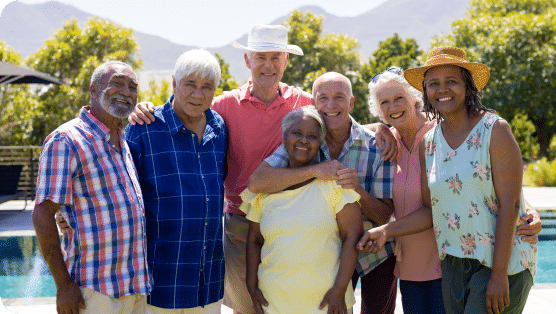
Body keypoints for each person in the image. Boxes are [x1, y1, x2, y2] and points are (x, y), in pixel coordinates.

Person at [128, 25, 397, 314]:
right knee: (250, 308)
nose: (268, 65)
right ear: (247, 60)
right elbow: (187, 106)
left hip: (302, 222)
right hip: (242, 226)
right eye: (260, 57)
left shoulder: (304, 102)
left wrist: (381, 127)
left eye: (275, 57)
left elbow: (336, 119)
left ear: (286, 61)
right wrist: (145, 110)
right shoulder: (223, 107)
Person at [357, 47, 538, 314]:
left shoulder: (494, 129)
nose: (442, 89)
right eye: (433, 84)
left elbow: (510, 201)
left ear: (468, 85)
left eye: (451, 81)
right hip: (453, 261)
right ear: (426, 91)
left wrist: (499, 274)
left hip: (501, 262)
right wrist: (384, 231)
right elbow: (432, 209)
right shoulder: (429, 144)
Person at [249, 72, 398, 314]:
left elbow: (383, 216)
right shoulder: (305, 140)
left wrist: (358, 189)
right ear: (313, 103)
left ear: (350, 103)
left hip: (376, 254)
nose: (330, 105)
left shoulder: (378, 146)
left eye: (339, 97)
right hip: (329, 256)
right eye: (323, 98)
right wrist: (317, 170)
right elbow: (257, 182)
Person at [32, 61, 151, 313]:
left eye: (132, 87)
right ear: (94, 90)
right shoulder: (66, 140)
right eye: (117, 83)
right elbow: (42, 213)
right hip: (94, 292)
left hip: (134, 288)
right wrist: (63, 285)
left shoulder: (122, 139)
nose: (126, 91)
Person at [124, 49, 227, 313]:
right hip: (161, 280)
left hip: (209, 280)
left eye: (207, 87)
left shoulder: (219, 128)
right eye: (190, 85)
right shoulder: (144, 127)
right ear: (174, 83)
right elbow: (119, 189)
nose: (198, 94)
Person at [243, 106, 363, 314]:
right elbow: (254, 240)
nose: (304, 140)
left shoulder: (334, 183)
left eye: (312, 136)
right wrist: (251, 284)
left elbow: (352, 236)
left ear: (320, 143)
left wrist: (339, 289)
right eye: (297, 133)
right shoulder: (264, 189)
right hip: (274, 301)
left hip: (328, 302)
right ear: (284, 137)